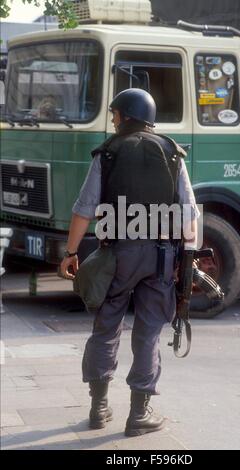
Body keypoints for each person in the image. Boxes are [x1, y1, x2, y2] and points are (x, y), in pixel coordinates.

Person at [60, 88, 199, 437]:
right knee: (149, 332)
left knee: (106, 328)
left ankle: (99, 407)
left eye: (114, 114)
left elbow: (84, 209)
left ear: (124, 116)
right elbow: (189, 215)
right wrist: (188, 257)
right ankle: (139, 414)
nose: (112, 120)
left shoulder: (106, 153)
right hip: (160, 256)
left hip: (116, 256)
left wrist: (70, 252)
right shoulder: (172, 153)